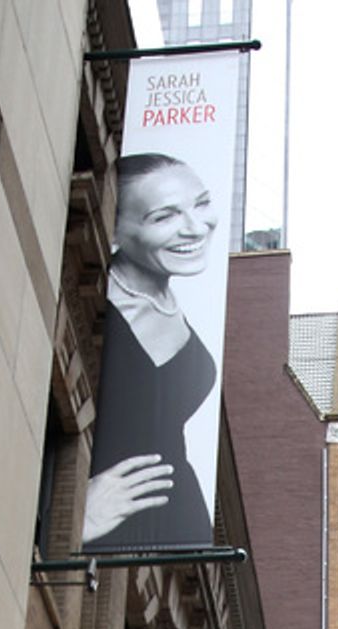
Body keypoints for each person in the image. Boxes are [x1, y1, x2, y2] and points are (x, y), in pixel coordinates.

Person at [83, 153, 219, 550]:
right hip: (105, 539)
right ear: (114, 230)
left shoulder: (171, 300)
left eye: (201, 203)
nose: (195, 228)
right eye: (164, 217)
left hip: (175, 541)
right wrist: (80, 518)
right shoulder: (92, 302)